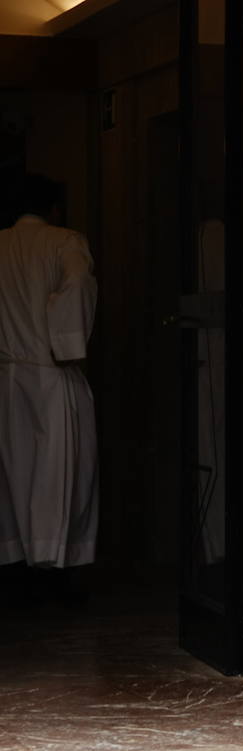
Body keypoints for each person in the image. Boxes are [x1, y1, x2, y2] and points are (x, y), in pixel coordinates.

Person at [0, 174, 98, 579]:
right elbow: (76, 283)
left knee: (11, 471)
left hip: (6, 373)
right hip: (51, 369)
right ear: (54, 208)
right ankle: (57, 568)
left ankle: (14, 562)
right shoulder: (65, 241)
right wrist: (67, 344)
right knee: (60, 470)